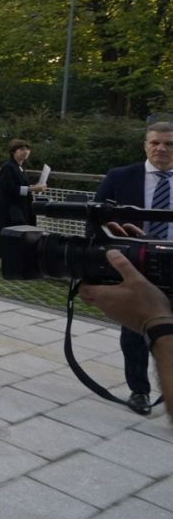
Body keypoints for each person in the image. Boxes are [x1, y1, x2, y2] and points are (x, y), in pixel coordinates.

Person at [94, 122, 173, 416]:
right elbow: (97, 217)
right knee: (135, 332)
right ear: (145, 145)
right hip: (136, 264)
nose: (161, 148)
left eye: (169, 144)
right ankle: (139, 390)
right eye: (155, 143)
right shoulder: (121, 177)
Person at [79, 224, 173, 423]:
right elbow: (95, 221)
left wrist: (157, 323)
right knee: (133, 340)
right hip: (140, 263)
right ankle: (139, 390)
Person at [0, 139, 46, 268]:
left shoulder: (20, 167)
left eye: (27, 149)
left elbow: (19, 186)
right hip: (10, 208)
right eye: (21, 149)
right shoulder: (8, 166)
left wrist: (34, 187)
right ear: (13, 152)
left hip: (18, 207)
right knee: (15, 234)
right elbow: (7, 188)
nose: (25, 152)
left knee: (15, 234)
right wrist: (33, 189)